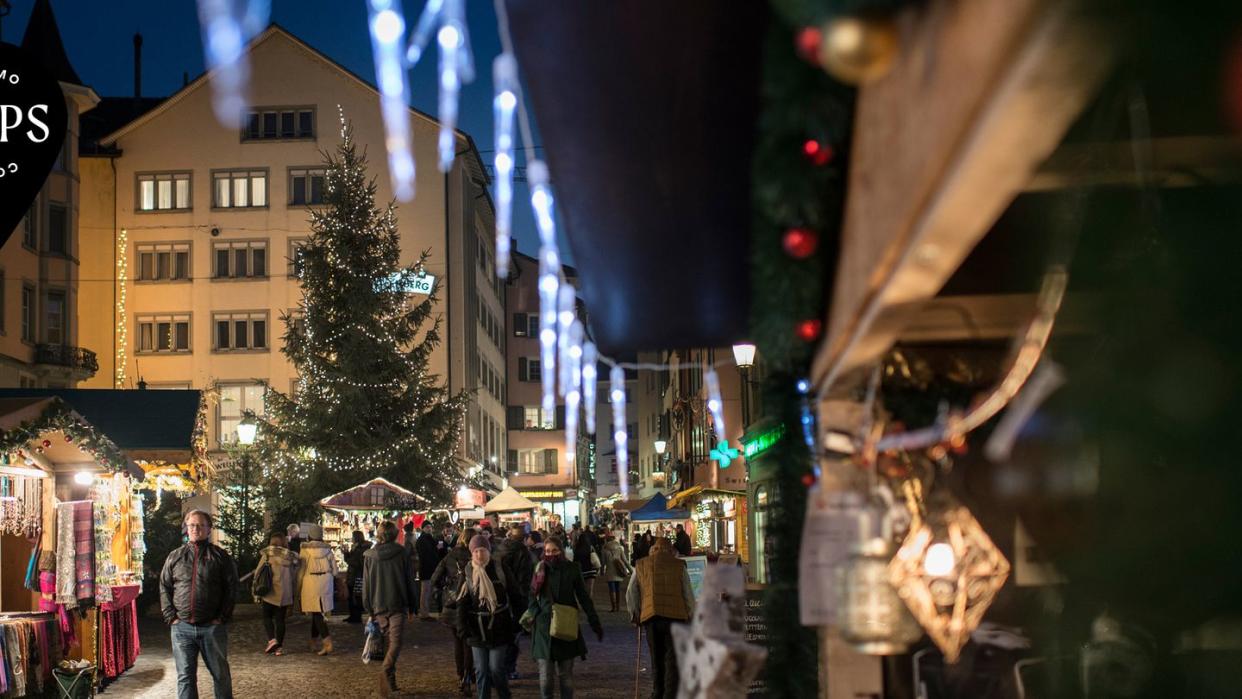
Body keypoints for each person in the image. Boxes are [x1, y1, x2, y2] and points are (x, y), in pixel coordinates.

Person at [160, 509, 239, 699]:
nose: (196, 529)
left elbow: (232, 588)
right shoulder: (175, 556)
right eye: (192, 525)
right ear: (186, 527)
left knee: (220, 675)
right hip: (182, 628)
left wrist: (222, 617)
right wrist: (171, 617)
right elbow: (164, 586)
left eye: (201, 525)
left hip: (212, 627)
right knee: (185, 677)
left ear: (209, 529)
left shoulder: (220, 556)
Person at [523, 535, 603, 699]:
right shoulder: (539, 568)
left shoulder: (572, 568)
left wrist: (594, 621)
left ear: (561, 551)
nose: (550, 554)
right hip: (544, 628)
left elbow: (583, 596)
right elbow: (532, 594)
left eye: (554, 550)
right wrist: (534, 611)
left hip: (566, 625)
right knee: (545, 678)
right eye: (547, 551)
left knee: (565, 676)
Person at [627, 536, 695, 698]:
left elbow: (631, 592)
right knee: (672, 658)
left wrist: (635, 614)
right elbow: (687, 592)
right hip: (676, 617)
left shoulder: (641, 564)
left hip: (651, 617)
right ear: (671, 550)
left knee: (656, 657)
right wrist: (691, 614)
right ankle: (670, 694)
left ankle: (657, 692)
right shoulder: (679, 565)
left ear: (654, 549)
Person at [458, 535, 518, 699]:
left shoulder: (500, 568)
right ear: (471, 553)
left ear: (488, 551)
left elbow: (515, 593)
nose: (479, 554)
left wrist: (518, 621)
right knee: (481, 671)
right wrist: (462, 626)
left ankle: (505, 695)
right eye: (476, 551)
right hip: (477, 629)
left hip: (499, 626)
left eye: (482, 550)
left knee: (496, 669)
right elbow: (462, 601)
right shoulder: (468, 571)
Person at [363, 520, 417, 698]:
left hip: (378, 603)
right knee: (395, 642)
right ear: (395, 534)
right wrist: (412, 604)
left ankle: (390, 680)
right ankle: (386, 672)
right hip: (397, 602)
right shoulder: (402, 553)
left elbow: (367, 584)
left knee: (389, 642)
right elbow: (409, 579)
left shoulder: (370, 556)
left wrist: (368, 607)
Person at [433, 527, 478, 696]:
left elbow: (435, 578)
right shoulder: (476, 556)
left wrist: (446, 587)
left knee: (458, 642)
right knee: (469, 642)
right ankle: (468, 675)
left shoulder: (450, 555)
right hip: (471, 605)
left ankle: (462, 675)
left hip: (452, 605)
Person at [494, 523, 535, 680]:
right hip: (516, 599)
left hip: (499, 598)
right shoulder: (523, 553)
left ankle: (499, 667)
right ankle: (508, 668)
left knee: (502, 636)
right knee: (514, 636)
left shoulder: (499, 549)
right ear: (525, 538)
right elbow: (525, 580)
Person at [254, 533, 299, 656]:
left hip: (269, 591)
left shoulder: (268, 554)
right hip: (285, 593)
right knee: (280, 620)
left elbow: (258, 572)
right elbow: (294, 576)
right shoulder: (290, 557)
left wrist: (255, 589)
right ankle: (279, 648)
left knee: (267, 616)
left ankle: (272, 640)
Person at [297, 524, 337, 654]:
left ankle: (327, 641)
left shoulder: (304, 551)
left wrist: (297, 585)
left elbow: (301, 569)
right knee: (318, 611)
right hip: (326, 581)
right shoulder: (328, 551)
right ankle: (313, 641)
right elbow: (335, 571)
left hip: (310, 582)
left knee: (316, 612)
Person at [600, 535, 632, 613]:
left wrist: (601, 571)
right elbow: (625, 560)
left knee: (612, 589)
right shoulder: (619, 549)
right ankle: (618, 606)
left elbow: (603, 563)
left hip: (610, 572)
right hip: (618, 571)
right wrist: (631, 570)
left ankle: (613, 607)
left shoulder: (604, 550)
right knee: (618, 589)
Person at [416, 521, 440, 620]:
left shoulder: (429, 539)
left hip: (430, 569)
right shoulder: (422, 540)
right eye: (427, 527)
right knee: (425, 592)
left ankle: (426, 613)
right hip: (426, 569)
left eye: (430, 527)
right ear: (423, 528)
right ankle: (424, 614)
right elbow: (426, 555)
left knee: (427, 592)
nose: (429, 529)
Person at [345, 530, 371, 623]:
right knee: (352, 596)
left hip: (357, 575)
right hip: (353, 574)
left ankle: (356, 617)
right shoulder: (355, 547)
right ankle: (352, 616)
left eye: (353, 537)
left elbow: (358, 562)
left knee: (356, 596)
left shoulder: (362, 548)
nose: (351, 539)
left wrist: (348, 558)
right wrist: (346, 554)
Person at [571, 532, 599, 597]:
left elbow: (575, 561)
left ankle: (584, 602)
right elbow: (595, 557)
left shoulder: (577, 548)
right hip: (591, 571)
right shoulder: (590, 547)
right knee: (590, 589)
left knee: (582, 589)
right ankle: (589, 602)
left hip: (581, 571)